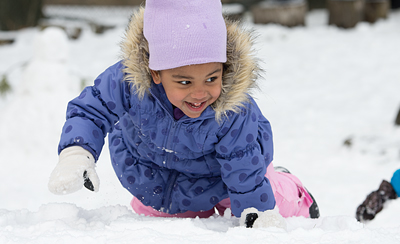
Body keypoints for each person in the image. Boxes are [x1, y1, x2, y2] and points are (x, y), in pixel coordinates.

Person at [48, 0, 319, 228]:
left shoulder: (232, 109)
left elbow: (241, 159)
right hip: (154, 179)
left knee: (268, 203)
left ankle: (292, 191)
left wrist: (253, 209)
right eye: (185, 82)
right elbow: (91, 109)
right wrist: (76, 153)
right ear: (155, 72)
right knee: (162, 224)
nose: (200, 93)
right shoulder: (128, 82)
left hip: (223, 178)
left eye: (211, 78)